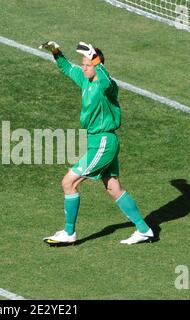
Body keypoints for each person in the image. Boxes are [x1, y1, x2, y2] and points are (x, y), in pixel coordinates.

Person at [39, 41, 153, 245]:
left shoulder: (105, 84)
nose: (83, 67)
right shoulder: (86, 80)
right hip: (97, 141)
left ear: (97, 64)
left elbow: (107, 80)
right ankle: (144, 230)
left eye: (88, 64)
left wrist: (97, 61)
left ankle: (69, 232)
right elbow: (67, 68)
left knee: (69, 182)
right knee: (112, 187)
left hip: (103, 141)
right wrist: (56, 52)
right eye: (83, 64)